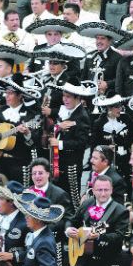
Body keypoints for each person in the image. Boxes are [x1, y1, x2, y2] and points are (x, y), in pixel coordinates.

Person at [0, 73, 42, 184]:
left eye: (11, 93)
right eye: (6, 93)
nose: (6, 96)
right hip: (0, 162)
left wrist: (27, 134)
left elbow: (34, 142)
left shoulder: (30, 115)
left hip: (20, 164)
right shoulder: (1, 110)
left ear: (20, 95)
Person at [47, 77, 94, 205]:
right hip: (58, 162)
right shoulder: (64, 110)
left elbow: (81, 143)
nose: (65, 99)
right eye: (64, 96)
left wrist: (60, 144)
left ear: (77, 98)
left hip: (71, 164)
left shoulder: (82, 116)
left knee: (70, 199)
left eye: (68, 97)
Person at [90, 95, 133, 178]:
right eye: (117, 107)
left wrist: (129, 145)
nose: (120, 109)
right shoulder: (99, 123)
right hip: (107, 161)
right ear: (109, 108)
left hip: (124, 160)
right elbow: (94, 145)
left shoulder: (126, 119)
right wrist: (106, 148)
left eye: (120, 106)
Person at [78, 22, 124, 95]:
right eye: (97, 38)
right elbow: (83, 78)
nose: (99, 41)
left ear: (109, 41)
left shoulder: (117, 58)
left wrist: (107, 84)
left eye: (102, 38)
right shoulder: (90, 56)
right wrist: (83, 97)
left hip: (107, 96)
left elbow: (122, 79)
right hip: (88, 96)